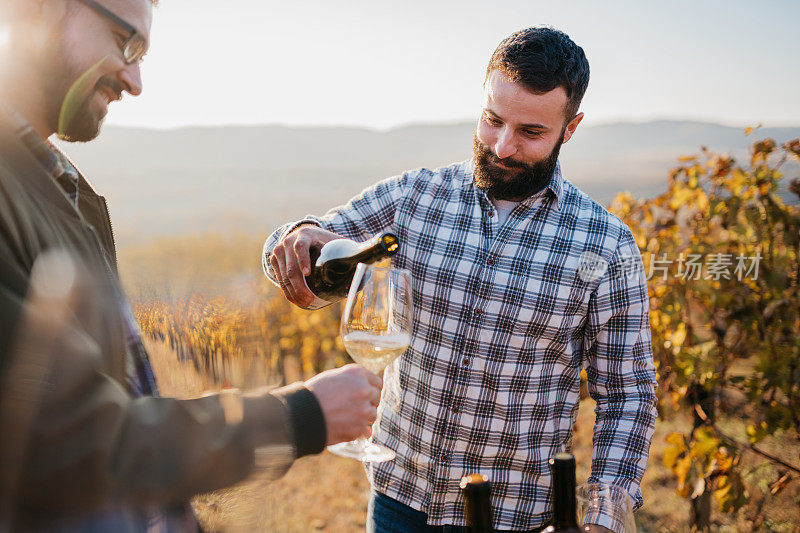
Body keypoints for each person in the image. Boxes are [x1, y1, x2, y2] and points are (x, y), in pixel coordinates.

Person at [0, 0, 382, 530]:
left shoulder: (52, 185)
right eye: (124, 41)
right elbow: (66, 447)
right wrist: (299, 416)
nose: (135, 81)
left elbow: (107, 410)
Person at [264, 27, 658, 532]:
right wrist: (299, 237)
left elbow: (628, 393)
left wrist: (605, 517)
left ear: (570, 127)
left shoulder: (607, 244)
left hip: (514, 514)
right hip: (398, 497)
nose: (502, 145)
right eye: (492, 120)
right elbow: (311, 241)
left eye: (530, 132)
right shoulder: (415, 196)